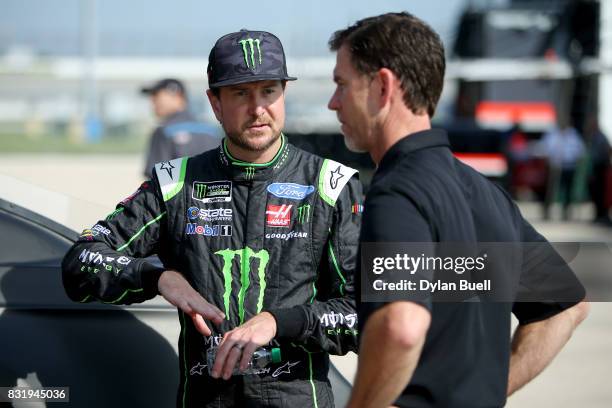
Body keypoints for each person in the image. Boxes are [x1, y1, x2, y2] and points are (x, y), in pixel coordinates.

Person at [63, 29, 362, 407]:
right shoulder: (175, 183)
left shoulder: (329, 186)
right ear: (215, 103)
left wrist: (280, 321)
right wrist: (157, 277)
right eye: (241, 93)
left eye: (269, 91)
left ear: (283, 94)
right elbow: (80, 262)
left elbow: (365, 313)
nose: (258, 109)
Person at [327, 12, 589, 408]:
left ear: (382, 86)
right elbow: (566, 308)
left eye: (342, 85)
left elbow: (402, 326)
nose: (333, 102)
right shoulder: (485, 192)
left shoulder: (396, 192)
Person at [141, 78, 220, 178]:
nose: (152, 101)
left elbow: (155, 178)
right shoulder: (211, 130)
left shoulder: (163, 132)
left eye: (156, 95)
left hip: (176, 193)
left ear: (176, 96)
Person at [536, 120, 585, 220]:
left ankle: (566, 212)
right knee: (550, 190)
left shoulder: (573, 135)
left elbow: (580, 151)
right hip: (555, 167)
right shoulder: (552, 134)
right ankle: (547, 211)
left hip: (569, 166)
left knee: (567, 190)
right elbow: (545, 149)